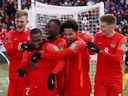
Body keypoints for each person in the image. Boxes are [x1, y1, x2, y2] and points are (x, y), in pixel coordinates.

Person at [43, 20, 91, 96]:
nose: (68, 37)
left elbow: (60, 54)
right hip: (66, 84)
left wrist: (43, 54)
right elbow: (61, 60)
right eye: (65, 34)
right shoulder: (65, 43)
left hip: (80, 85)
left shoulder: (79, 43)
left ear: (76, 32)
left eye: (70, 34)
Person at [86, 14, 126, 96]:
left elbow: (118, 58)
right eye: (100, 26)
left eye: (104, 26)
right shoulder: (97, 36)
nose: (101, 28)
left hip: (115, 79)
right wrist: (89, 48)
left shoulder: (123, 39)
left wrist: (99, 51)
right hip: (100, 79)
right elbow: (92, 52)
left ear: (112, 26)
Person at [17, 28, 59, 96]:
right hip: (33, 87)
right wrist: (22, 70)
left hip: (48, 86)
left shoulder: (49, 47)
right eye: (34, 41)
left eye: (38, 40)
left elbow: (61, 61)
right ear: (30, 39)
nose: (36, 43)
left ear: (42, 37)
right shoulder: (27, 49)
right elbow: (24, 65)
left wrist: (53, 74)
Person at [5, 10, 30, 96]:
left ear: (27, 22)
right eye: (17, 21)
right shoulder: (9, 34)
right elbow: (9, 51)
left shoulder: (31, 34)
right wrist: (18, 49)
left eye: (22, 21)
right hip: (14, 73)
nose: (19, 24)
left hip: (28, 73)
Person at [47, 19, 66, 96]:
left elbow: (61, 61)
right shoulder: (46, 41)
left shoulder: (61, 42)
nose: (48, 29)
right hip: (47, 73)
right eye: (48, 27)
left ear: (57, 29)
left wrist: (53, 73)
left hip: (57, 75)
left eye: (51, 27)